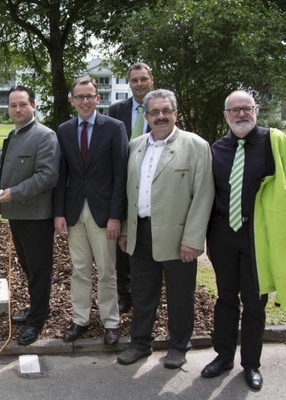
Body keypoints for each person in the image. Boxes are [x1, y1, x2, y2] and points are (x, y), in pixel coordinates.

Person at [201, 90, 286, 389]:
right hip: (223, 236)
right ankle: (223, 356)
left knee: (255, 302)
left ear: (256, 110)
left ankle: (251, 364)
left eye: (247, 108)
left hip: (259, 236)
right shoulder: (217, 149)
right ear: (226, 116)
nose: (241, 114)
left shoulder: (273, 143)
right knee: (226, 298)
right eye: (234, 110)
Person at [116, 89, 214, 369]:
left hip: (178, 236)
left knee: (180, 294)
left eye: (166, 111)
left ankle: (178, 345)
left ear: (175, 114)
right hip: (140, 233)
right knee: (143, 293)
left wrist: (193, 240)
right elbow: (128, 191)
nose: (160, 116)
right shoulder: (135, 145)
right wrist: (125, 229)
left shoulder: (196, 146)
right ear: (145, 116)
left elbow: (203, 195)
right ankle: (140, 343)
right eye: (154, 112)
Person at [54, 76, 128, 346]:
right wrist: (59, 213)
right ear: (72, 100)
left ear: (98, 99)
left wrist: (115, 215)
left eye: (90, 96)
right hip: (74, 212)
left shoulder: (114, 128)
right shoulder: (63, 130)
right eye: (79, 96)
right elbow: (61, 175)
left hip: (104, 213)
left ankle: (111, 322)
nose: (85, 101)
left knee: (107, 271)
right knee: (79, 269)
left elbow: (121, 175)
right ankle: (80, 319)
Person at [0, 86, 60, 346]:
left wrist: (14, 193)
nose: (17, 110)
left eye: (22, 105)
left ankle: (37, 320)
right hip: (17, 214)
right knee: (29, 268)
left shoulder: (44, 136)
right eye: (13, 105)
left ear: (34, 105)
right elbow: (10, 163)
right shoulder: (15, 135)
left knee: (38, 270)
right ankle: (37, 310)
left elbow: (47, 175)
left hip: (36, 217)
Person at [108, 62, 155, 314]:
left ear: (151, 80)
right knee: (122, 242)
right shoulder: (117, 110)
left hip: (151, 183)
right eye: (134, 80)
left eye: (143, 79)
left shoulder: (160, 108)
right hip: (123, 183)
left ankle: (147, 291)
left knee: (148, 239)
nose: (139, 84)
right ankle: (124, 293)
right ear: (129, 83)